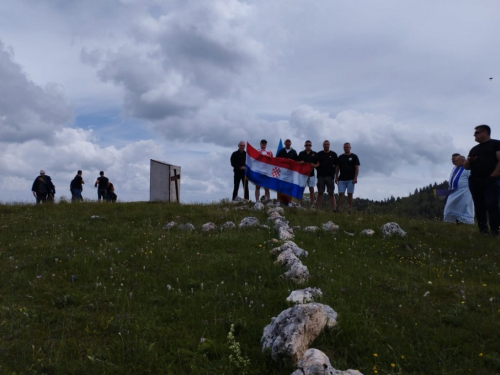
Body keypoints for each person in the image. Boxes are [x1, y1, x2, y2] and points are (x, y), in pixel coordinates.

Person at [464, 124, 500, 235]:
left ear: (484, 132)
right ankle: (483, 230)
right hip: (475, 180)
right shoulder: (474, 149)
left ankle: (495, 230)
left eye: (476, 133)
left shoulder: (496, 144)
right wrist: (469, 161)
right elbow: (466, 166)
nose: (474, 135)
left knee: (491, 204)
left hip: (491, 181)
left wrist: (493, 176)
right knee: (479, 206)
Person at [443, 156, 474, 224]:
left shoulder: (467, 169)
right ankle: (452, 221)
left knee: (463, 207)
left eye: (457, 160)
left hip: (464, 192)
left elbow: (472, 179)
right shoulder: (455, 169)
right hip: (453, 192)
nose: (455, 162)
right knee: (449, 206)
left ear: (462, 160)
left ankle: (463, 222)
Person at [335, 143, 360, 213]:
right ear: (343, 148)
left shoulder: (354, 156)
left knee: (350, 194)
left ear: (350, 147)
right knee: (341, 194)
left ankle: (349, 209)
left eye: (347, 147)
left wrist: (355, 177)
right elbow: (337, 168)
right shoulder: (340, 157)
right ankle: (339, 208)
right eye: (345, 147)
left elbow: (357, 167)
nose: (346, 148)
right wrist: (336, 177)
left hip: (351, 179)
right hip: (341, 179)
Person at [315, 140, 337, 211]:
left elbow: (337, 166)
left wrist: (335, 174)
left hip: (330, 176)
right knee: (320, 192)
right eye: (325, 144)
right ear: (323, 145)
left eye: (327, 144)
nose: (326, 145)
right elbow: (316, 164)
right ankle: (317, 209)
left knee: (331, 193)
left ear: (329, 145)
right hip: (321, 176)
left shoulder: (333, 154)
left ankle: (334, 209)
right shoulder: (319, 154)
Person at [276, 139, 298, 206]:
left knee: (289, 187)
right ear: (285, 143)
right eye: (286, 143)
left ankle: (290, 202)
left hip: (290, 172)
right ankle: (278, 201)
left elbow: (296, 162)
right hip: (282, 172)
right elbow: (276, 160)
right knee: (280, 186)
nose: (288, 144)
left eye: (289, 143)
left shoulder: (294, 152)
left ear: (290, 143)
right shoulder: (281, 151)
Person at [297, 140, 319, 208]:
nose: (308, 146)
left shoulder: (315, 153)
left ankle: (312, 205)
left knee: (311, 189)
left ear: (311, 146)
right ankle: (299, 204)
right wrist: (300, 162)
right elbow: (297, 162)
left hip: (311, 174)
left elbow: (318, 163)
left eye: (309, 145)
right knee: (301, 189)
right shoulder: (301, 153)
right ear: (305, 146)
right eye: (307, 145)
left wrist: (314, 165)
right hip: (303, 174)